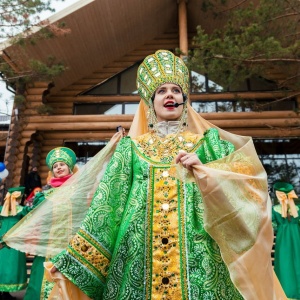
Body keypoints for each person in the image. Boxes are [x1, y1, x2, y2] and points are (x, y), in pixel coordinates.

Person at [2, 50, 286, 300]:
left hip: (201, 256)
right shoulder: (130, 149)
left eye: (176, 90)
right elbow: (107, 206)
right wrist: (77, 259)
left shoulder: (209, 144)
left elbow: (248, 185)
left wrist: (206, 169)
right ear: (151, 103)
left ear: (185, 101)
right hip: (136, 258)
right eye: (162, 91)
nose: (170, 95)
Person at [23, 147, 78, 300]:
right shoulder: (44, 195)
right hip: (47, 248)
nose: (58, 168)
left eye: (62, 164)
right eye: (55, 166)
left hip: (72, 248)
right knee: (39, 286)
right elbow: (33, 218)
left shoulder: (79, 190)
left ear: (69, 167)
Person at [0, 186, 41, 300]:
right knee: (7, 266)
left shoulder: (7, 209)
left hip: (10, 242)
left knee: (8, 266)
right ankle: (4, 292)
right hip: (9, 242)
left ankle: (5, 292)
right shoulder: (19, 210)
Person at [272, 182, 300, 299]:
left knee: (284, 262)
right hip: (296, 236)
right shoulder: (297, 208)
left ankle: (285, 290)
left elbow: (272, 224)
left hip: (282, 238)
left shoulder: (274, 209)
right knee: (296, 260)